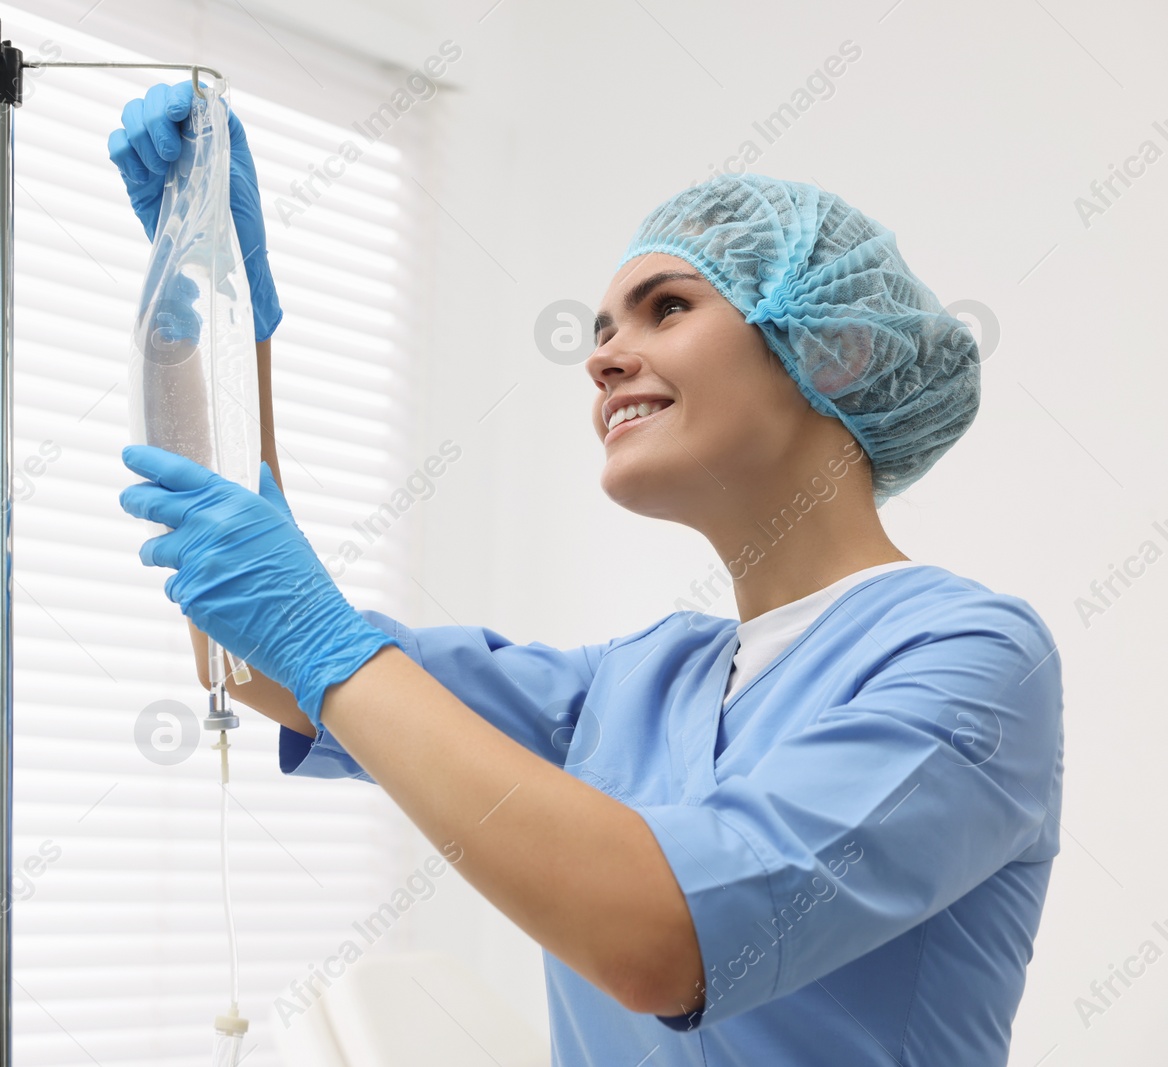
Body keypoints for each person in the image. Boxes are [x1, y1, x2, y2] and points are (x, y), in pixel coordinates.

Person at [112, 81, 1064, 1066]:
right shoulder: (636, 682)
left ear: (833, 349)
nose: (604, 358)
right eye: (602, 329)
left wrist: (319, 638)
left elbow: (665, 942)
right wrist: (221, 311)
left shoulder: (975, 658)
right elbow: (252, 657)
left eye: (666, 307)